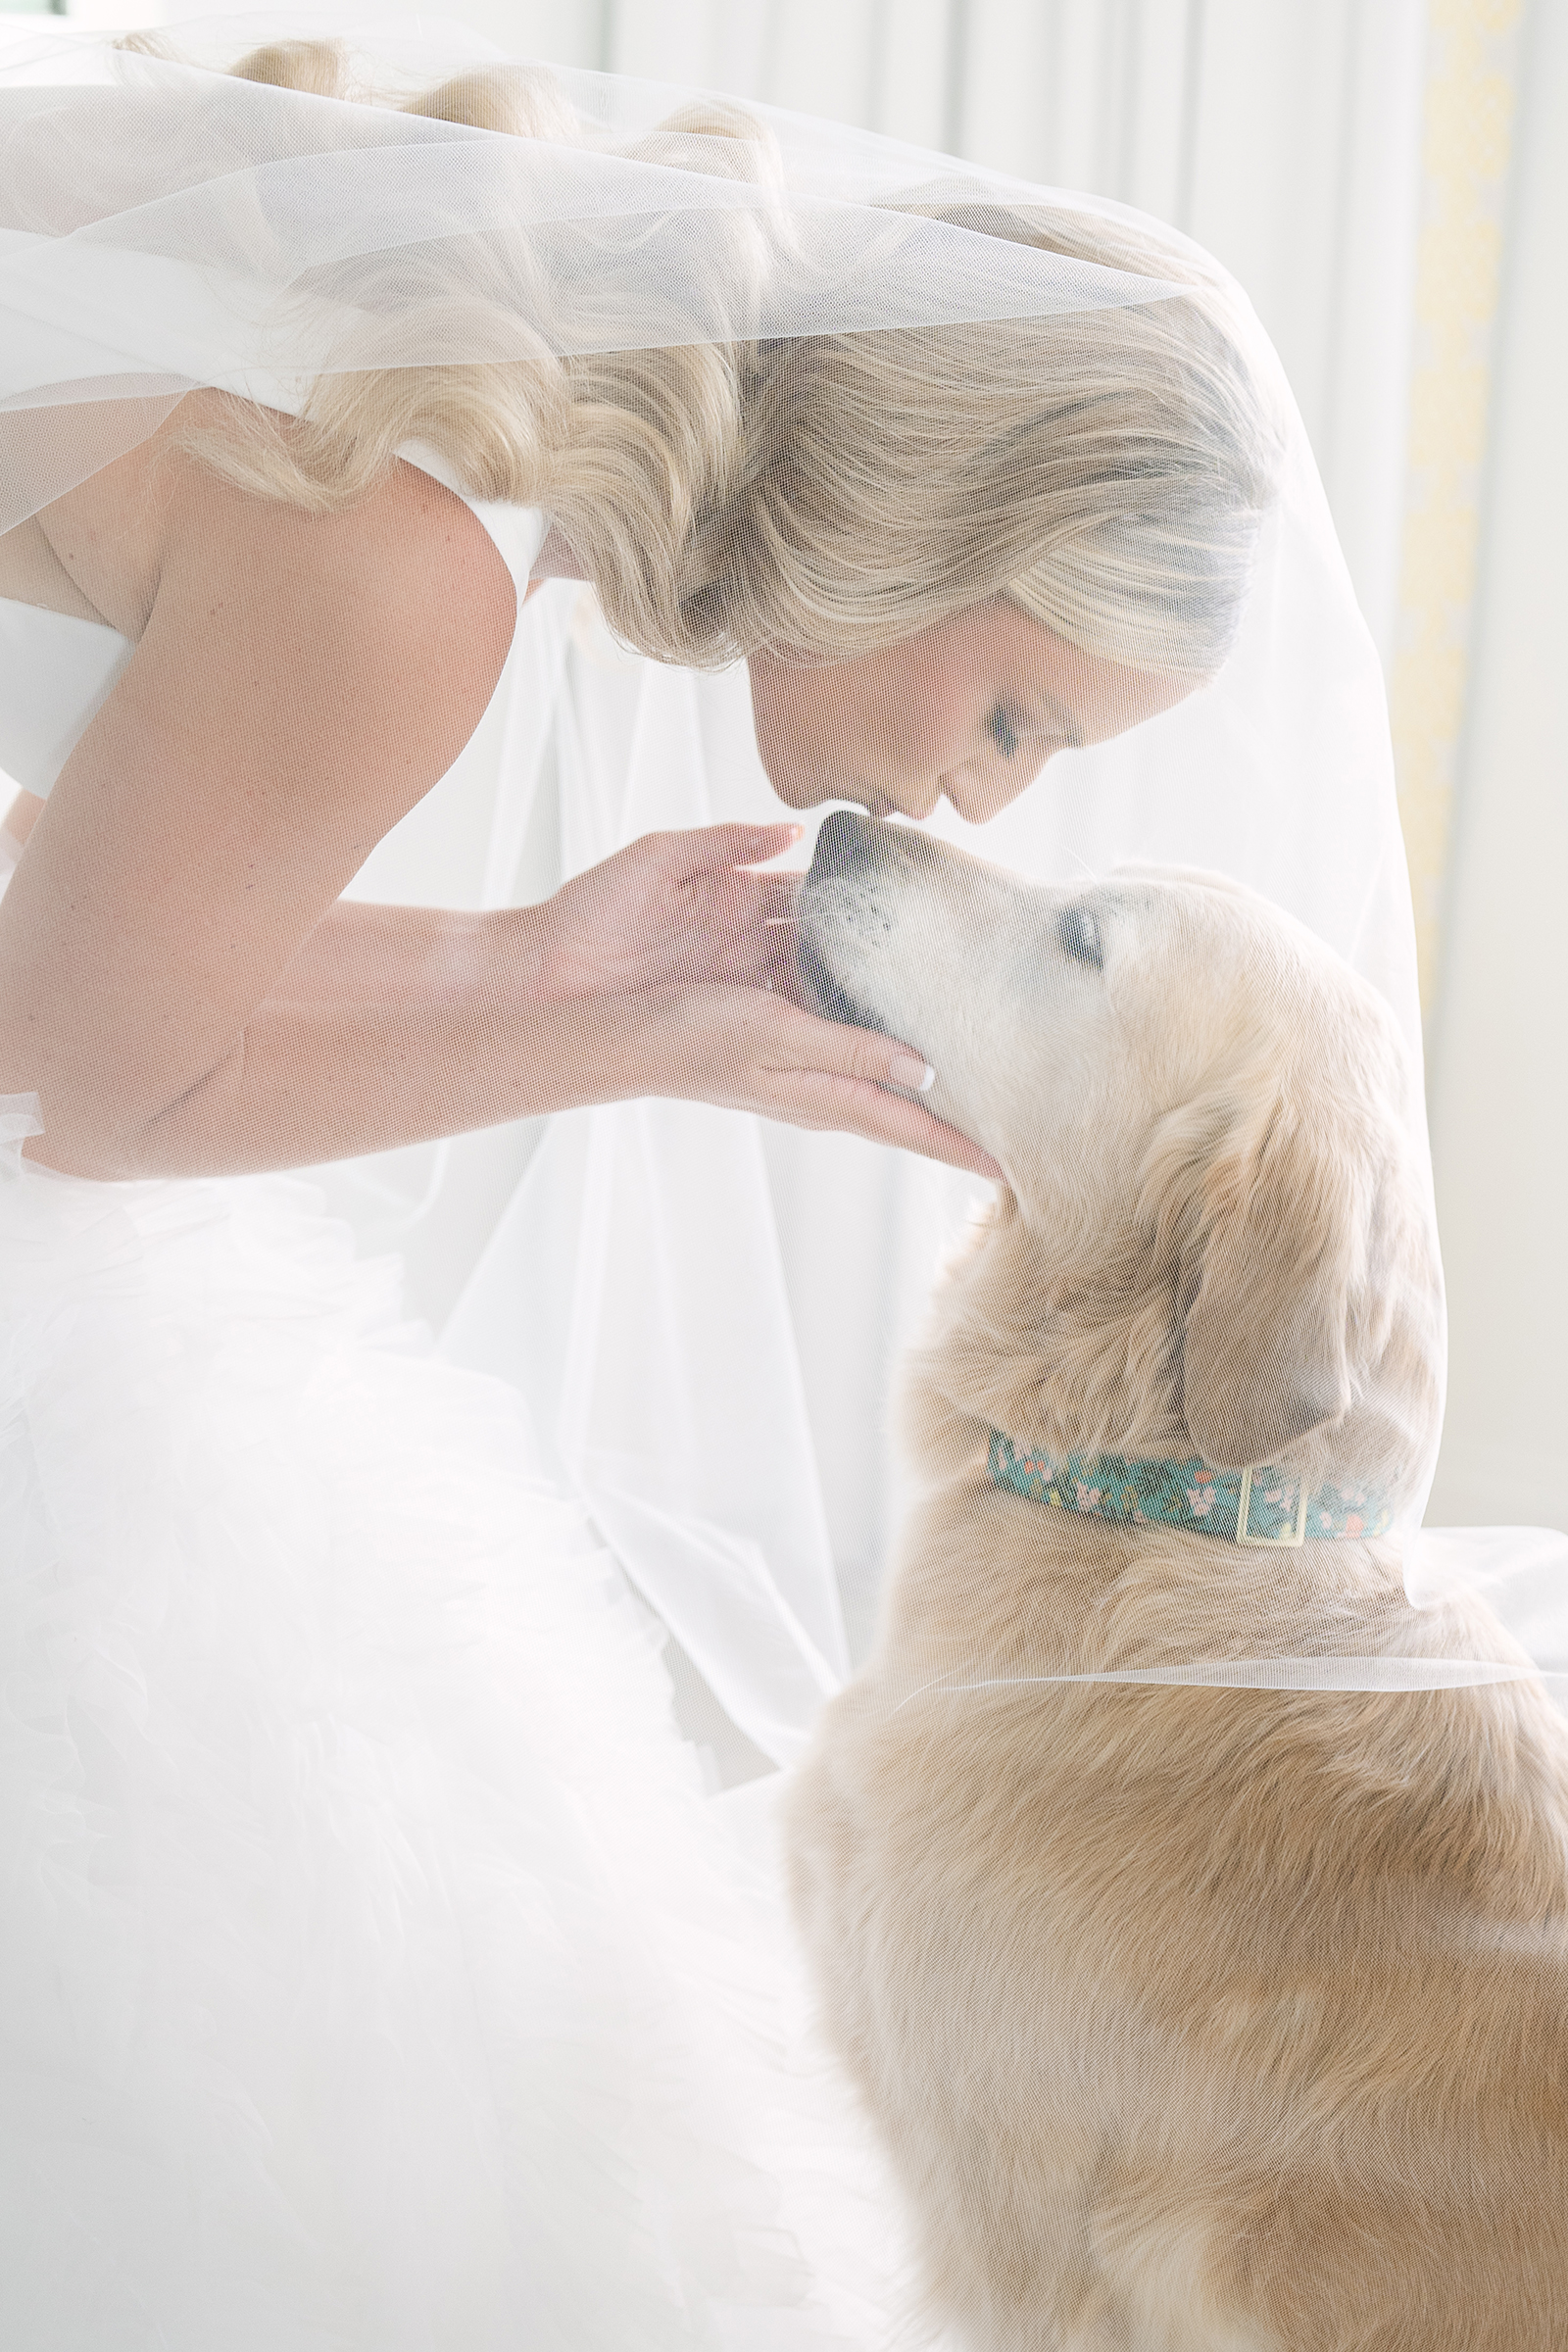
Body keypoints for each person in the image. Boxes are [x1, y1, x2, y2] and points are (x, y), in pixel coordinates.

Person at [1, 18, 1527, 2351]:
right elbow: (83, 1093)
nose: (987, 802)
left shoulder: (398, 415)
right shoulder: (404, 567)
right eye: (1010, 714)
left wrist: (556, 963)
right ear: (919, 522)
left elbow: (71, 938)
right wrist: (598, 1014)